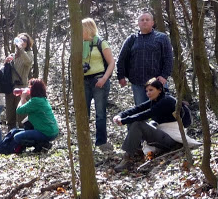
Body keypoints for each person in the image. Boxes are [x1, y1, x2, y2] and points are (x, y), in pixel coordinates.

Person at [112, 78, 199, 170]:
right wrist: (120, 115)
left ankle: (128, 158)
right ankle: (136, 152)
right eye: (146, 91)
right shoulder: (155, 100)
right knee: (137, 122)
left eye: (151, 90)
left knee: (137, 123)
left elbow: (147, 114)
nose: (148, 93)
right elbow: (137, 109)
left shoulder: (166, 100)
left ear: (160, 90)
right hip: (163, 135)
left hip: (172, 138)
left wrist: (124, 121)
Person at [116, 10, 174, 106]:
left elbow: (168, 58)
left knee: (161, 112)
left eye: (147, 19)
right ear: (138, 23)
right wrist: (121, 76)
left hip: (157, 83)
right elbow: (121, 59)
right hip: (138, 83)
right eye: (142, 20)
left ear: (152, 22)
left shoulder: (162, 38)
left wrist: (164, 76)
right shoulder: (132, 39)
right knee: (140, 113)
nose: (145, 21)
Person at [82, 18, 116, 151]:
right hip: (84, 82)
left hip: (99, 81)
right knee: (84, 113)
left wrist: (104, 79)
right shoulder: (79, 44)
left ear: (88, 29)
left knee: (100, 113)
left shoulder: (101, 42)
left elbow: (111, 62)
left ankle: (101, 142)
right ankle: (85, 143)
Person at [14, 78, 59, 152]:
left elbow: (19, 110)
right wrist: (23, 98)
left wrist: (22, 98)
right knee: (20, 129)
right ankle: (42, 144)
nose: (29, 89)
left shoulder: (35, 101)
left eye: (30, 87)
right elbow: (27, 107)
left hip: (46, 133)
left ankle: (42, 144)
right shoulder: (42, 99)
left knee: (17, 137)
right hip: (53, 131)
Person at [4, 33, 34, 129]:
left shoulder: (29, 54)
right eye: (20, 39)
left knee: (22, 117)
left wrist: (21, 49)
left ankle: (23, 141)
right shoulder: (13, 56)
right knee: (10, 117)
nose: (22, 41)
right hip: (10, 89)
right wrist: (6, 63)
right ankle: (10, 140)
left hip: (22, 88)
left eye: (24, 40)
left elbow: (28, 62)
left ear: (28, 43)